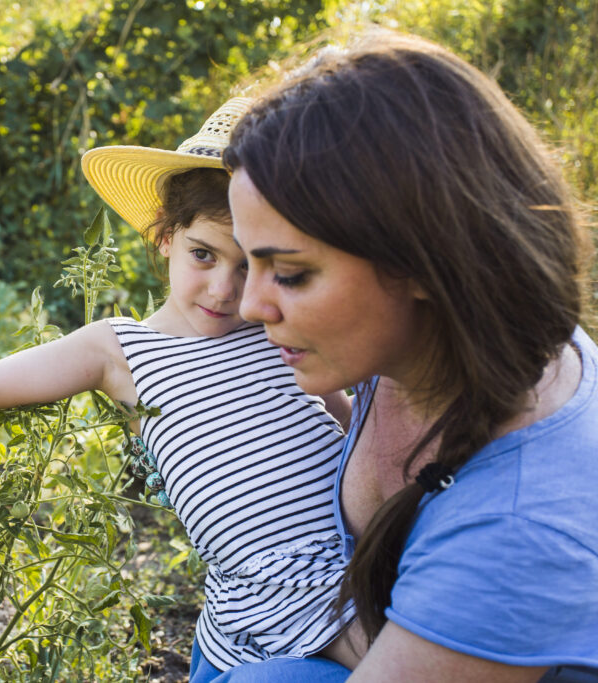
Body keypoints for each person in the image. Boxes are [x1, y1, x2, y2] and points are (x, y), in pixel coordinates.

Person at [0, 98, 361, 673]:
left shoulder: (273, 328)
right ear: (164, 238)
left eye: (249, 264)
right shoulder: (120, 348)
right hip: (270, 591)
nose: (224, 291)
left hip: (352, 557)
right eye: (203, 255)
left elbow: (349, 422)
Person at [220, 29, 598, 682]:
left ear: (424, 263)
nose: (250, 307)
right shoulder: (450, 337)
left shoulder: (518, 527)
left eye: (291, 274)